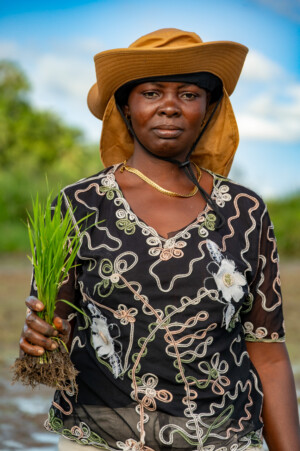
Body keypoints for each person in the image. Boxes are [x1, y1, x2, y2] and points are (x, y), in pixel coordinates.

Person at [19, 28, 300, 451]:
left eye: (188, 94)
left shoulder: (244, 211)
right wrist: (39, 338)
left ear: (208, 110)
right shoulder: (79, 205)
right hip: (100, 438)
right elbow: (55, 326)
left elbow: (268, 352)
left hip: (224, 439)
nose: (170, 106)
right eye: (151, 92)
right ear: (126, 108)